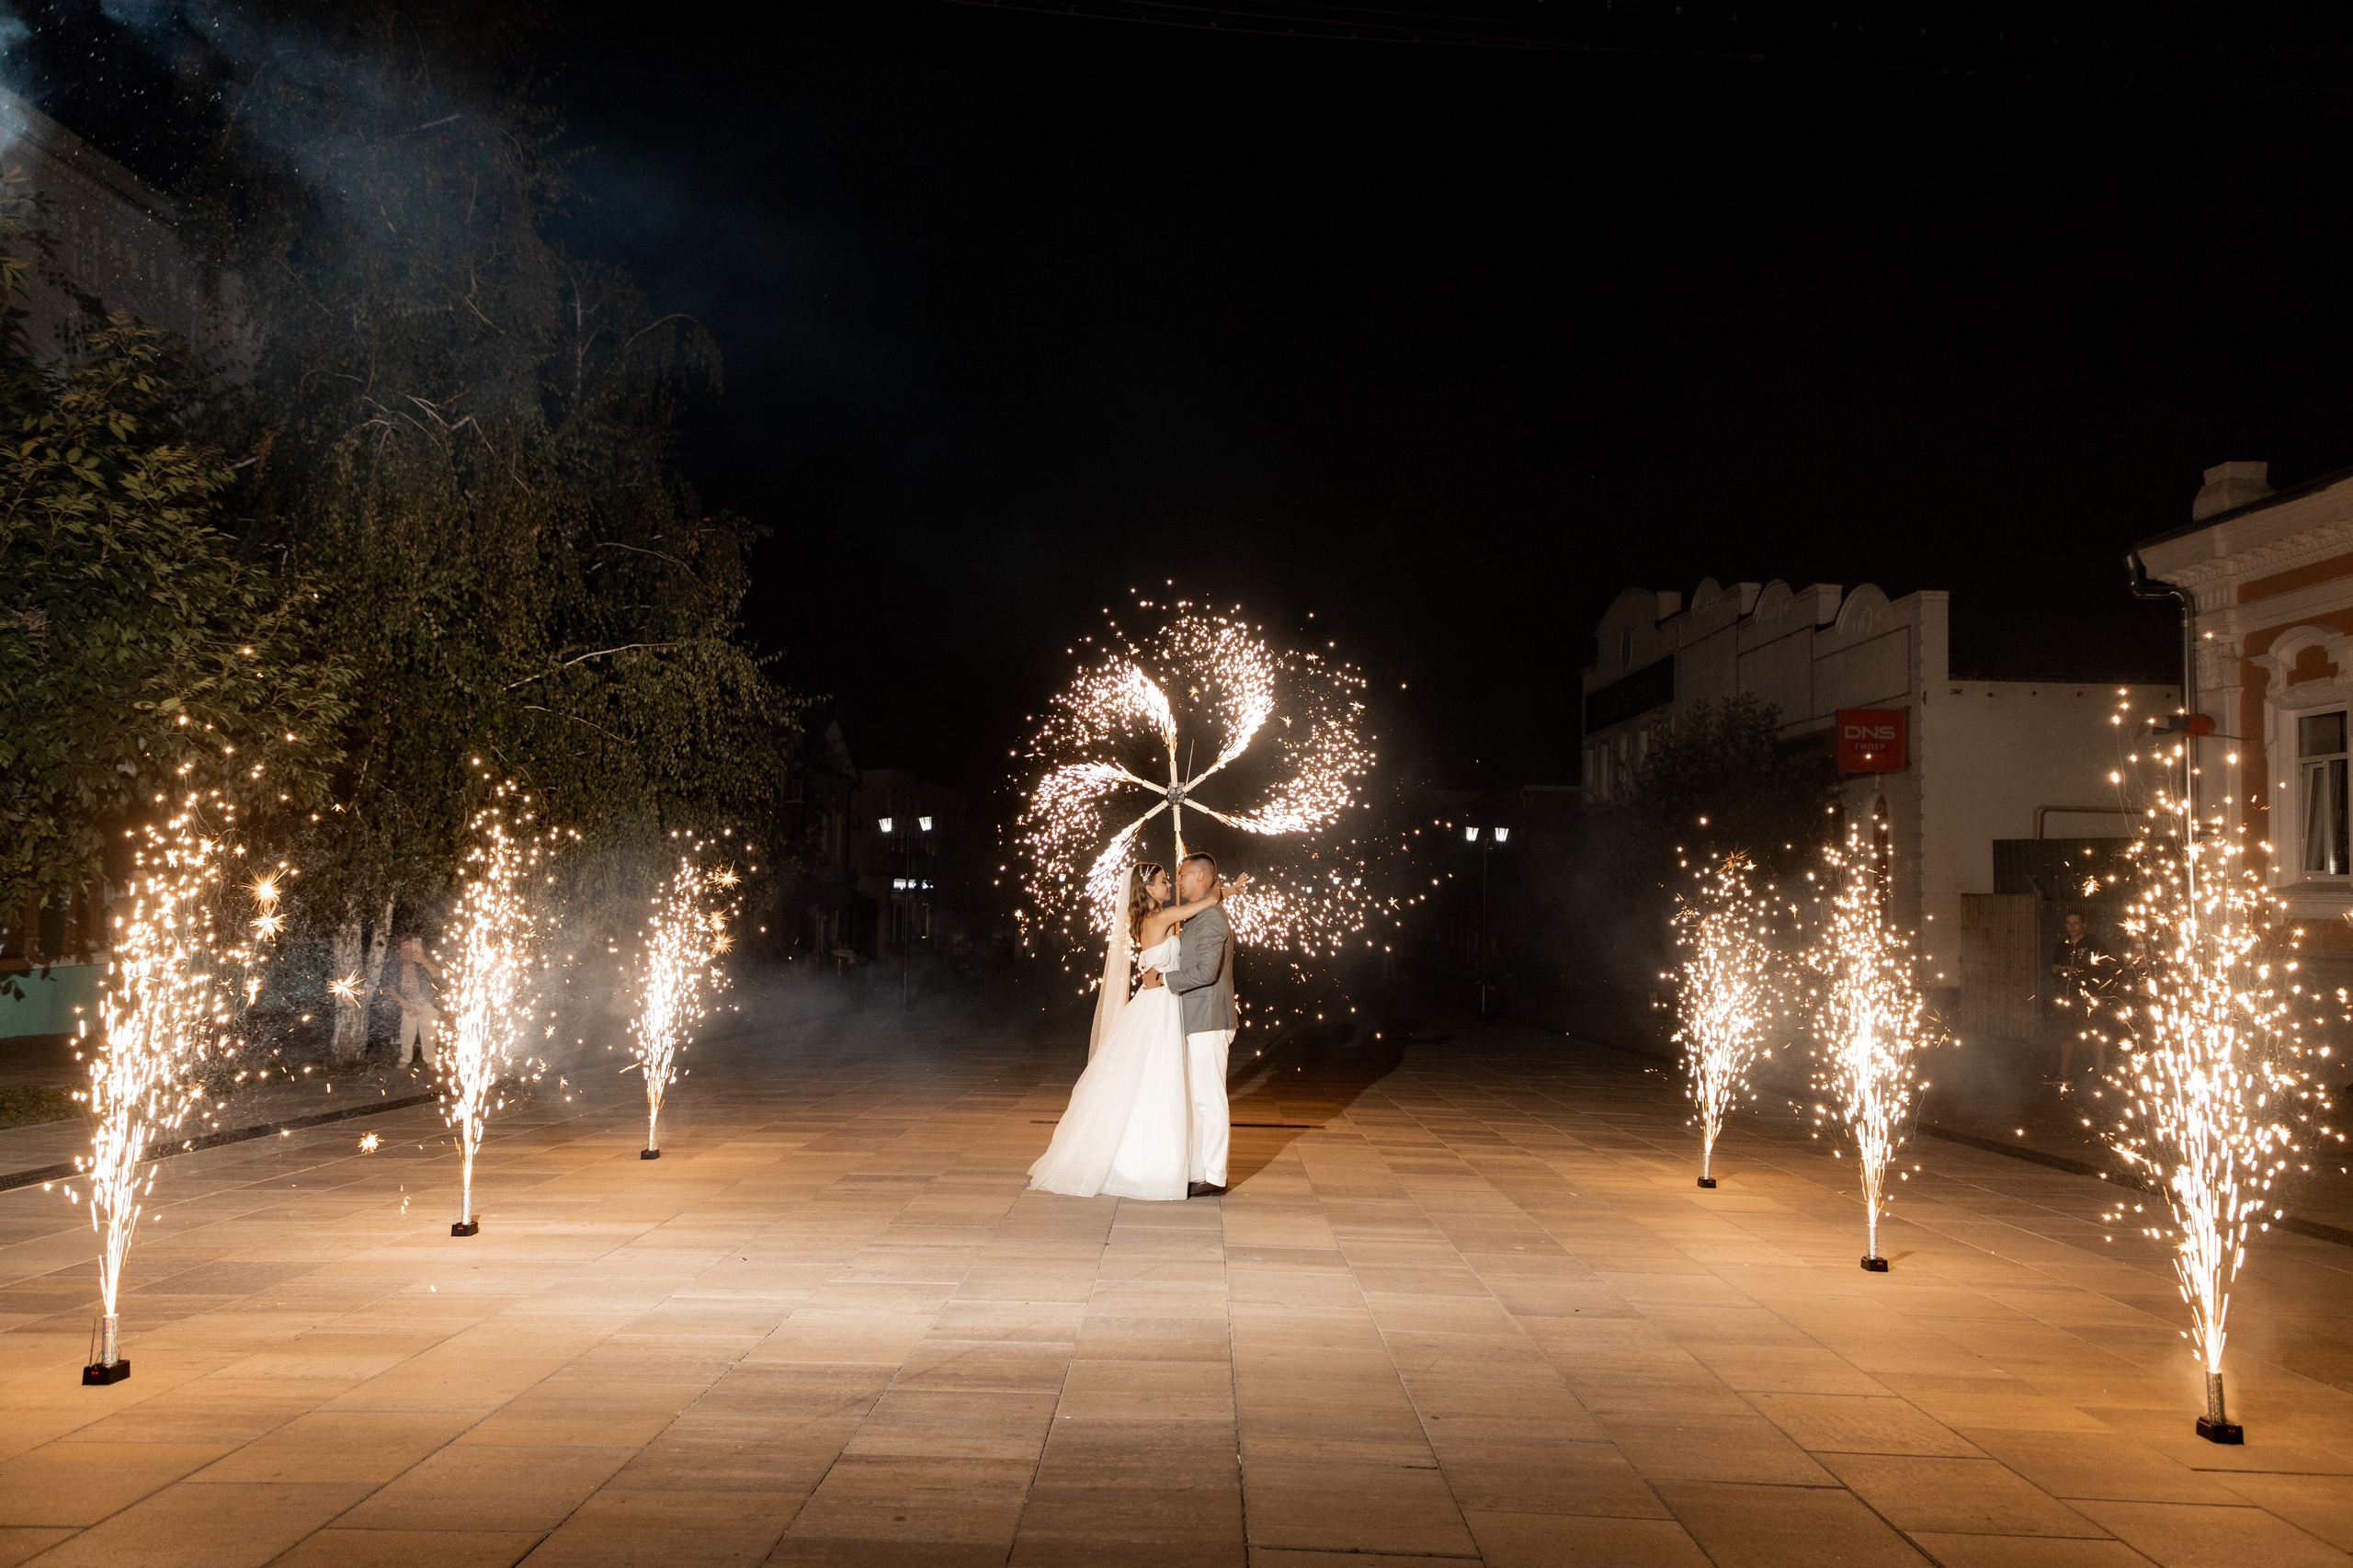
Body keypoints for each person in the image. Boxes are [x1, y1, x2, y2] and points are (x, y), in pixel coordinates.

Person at [1029, 860, 1240, 1200]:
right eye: (1163, 881)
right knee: (1162, 1082)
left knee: (1167, 1084)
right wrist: (1218, 889)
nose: (1171, 883)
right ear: (1148, 890)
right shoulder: (1160, 918)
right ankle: (1165, 1163)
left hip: (1169, 1002)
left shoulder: (1161, 916)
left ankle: (1185, 1165)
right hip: (1163, 1003)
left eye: (1177, 877)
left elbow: (1202, 906)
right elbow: (1204, 903)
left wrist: (1223, 889)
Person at [1162, 851, 1239, 1199]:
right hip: (1199, 1017)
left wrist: (1164, 980)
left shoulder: (1210, 919)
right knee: (1200, 1098)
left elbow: (1206, 972)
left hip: (1210, 1017)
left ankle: (1215, 1174)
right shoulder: (1199, 916)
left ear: (1201, 879)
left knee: (1210, 1099)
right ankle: (1201, 1168)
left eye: (1182, 875)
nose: (1177, 881)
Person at [2050, 910, 2109, 1080]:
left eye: (2076, 922)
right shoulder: (2062, 945)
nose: (2072, 926)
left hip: (2089, 998)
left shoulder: (2093, 944)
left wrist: (2077, 971)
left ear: (2083, 925)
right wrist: (2061, 970)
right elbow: (2054, 968)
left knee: (2095, 1036)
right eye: (2069, 922)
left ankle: (2100, 1076)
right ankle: (2064, 1074)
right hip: (2066, 998)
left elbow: (2102, 967)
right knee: (2066, 1035)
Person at [388, 935, 444, 1070]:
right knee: (407, 1030)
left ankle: (430, 1059)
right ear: (400, 951)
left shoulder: (423, 963)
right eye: (404, 949)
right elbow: (390, 988)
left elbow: (439, 975)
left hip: (428, 1003)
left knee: (428, 1028)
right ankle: (405, 1058)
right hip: (408, 1003)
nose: (408, 952)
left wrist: (423, 959)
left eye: (411, 949)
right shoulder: (396, 966)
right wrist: (406, 1005)